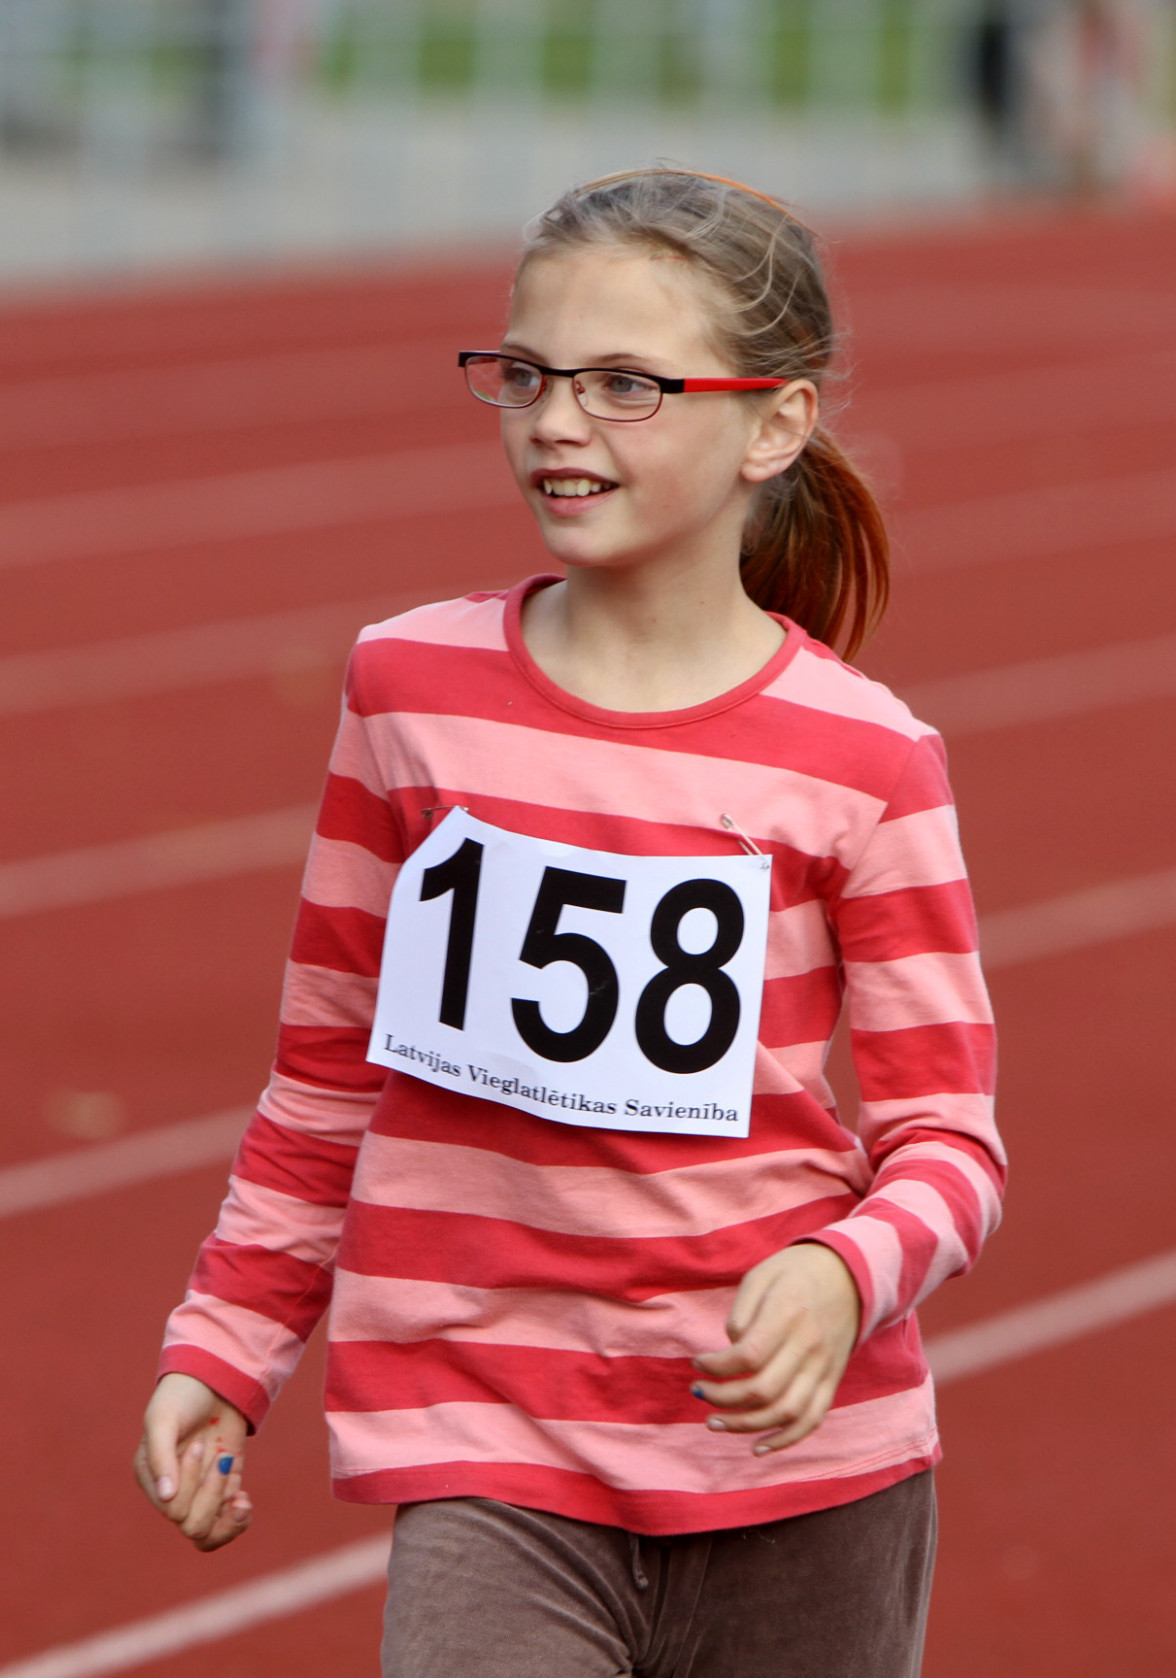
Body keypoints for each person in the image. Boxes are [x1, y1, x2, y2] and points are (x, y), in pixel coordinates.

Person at [135, 167, 1004, 1677]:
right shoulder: (408, 692)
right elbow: (329, 1069)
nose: (555, 421)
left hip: (797, 1467)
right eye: (527, 374)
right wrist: (227, 1340)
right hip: (490, 1439)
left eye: (625, 385)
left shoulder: (866, 759)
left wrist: (843, 1274)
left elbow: (952, 1145)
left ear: (775, 425)